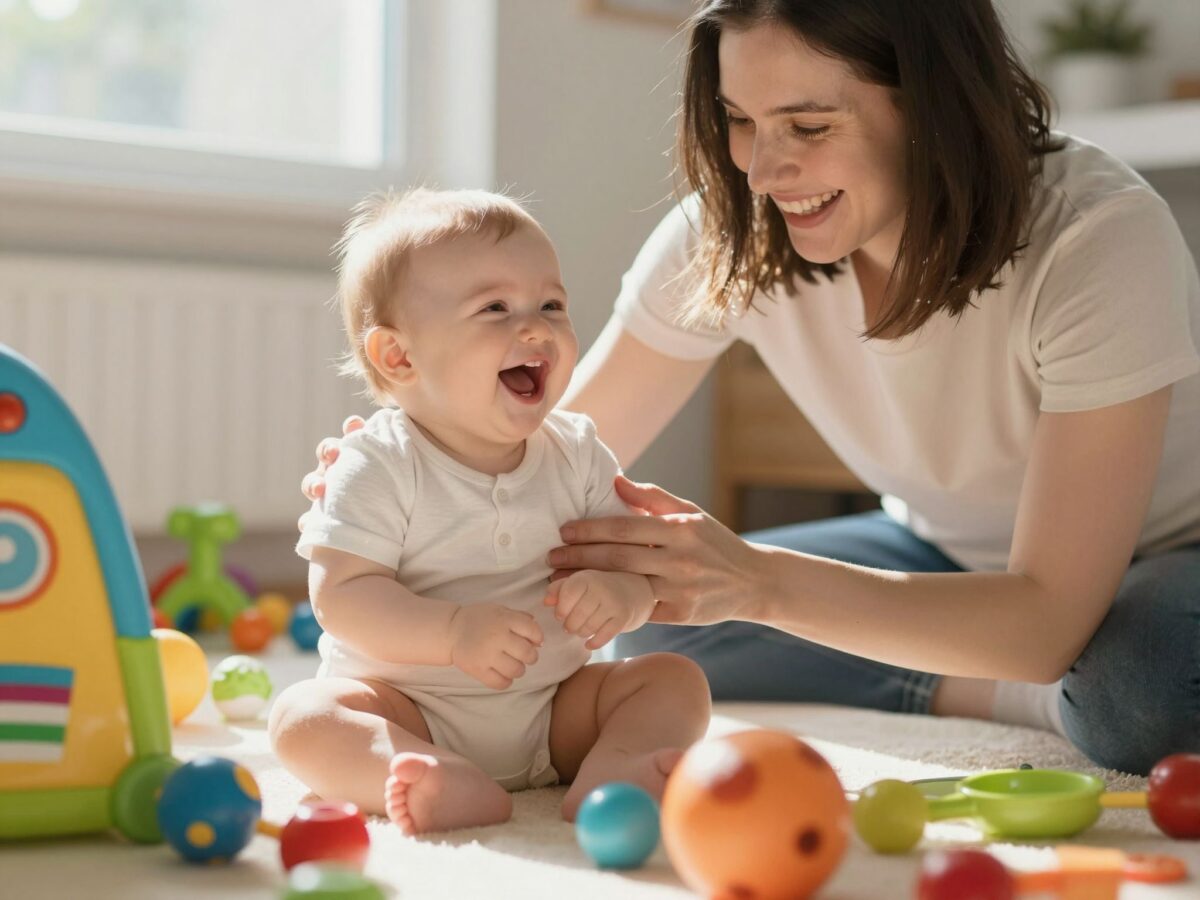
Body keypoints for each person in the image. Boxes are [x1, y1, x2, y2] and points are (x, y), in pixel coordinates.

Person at [302, 0, 1200, 777]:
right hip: (937, 548)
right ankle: (1010, 686)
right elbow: (556, 441)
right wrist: (424, 462)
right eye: (739, 119)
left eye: (809, 127)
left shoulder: (1094, 235)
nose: (764, 171)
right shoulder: (730, 235)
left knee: (1158, 676)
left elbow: (1048, 615)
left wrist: (761, 584)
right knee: (658, 619)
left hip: (1154, 561)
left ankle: (1047, 689)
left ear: (934, 105)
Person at [272, 187, 711, 835]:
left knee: (675, 679)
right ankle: (427, 773)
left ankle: (618, 769)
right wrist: (452, 633)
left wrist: (621, 593)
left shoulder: (579, 452)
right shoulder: (378, 462)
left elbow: (635, 562)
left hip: (556, 710)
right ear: (398, 356)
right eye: (495, 308)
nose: (535, 327)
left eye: (551, 304)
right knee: (303, 718)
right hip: (409, 705)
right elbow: (344, 597)